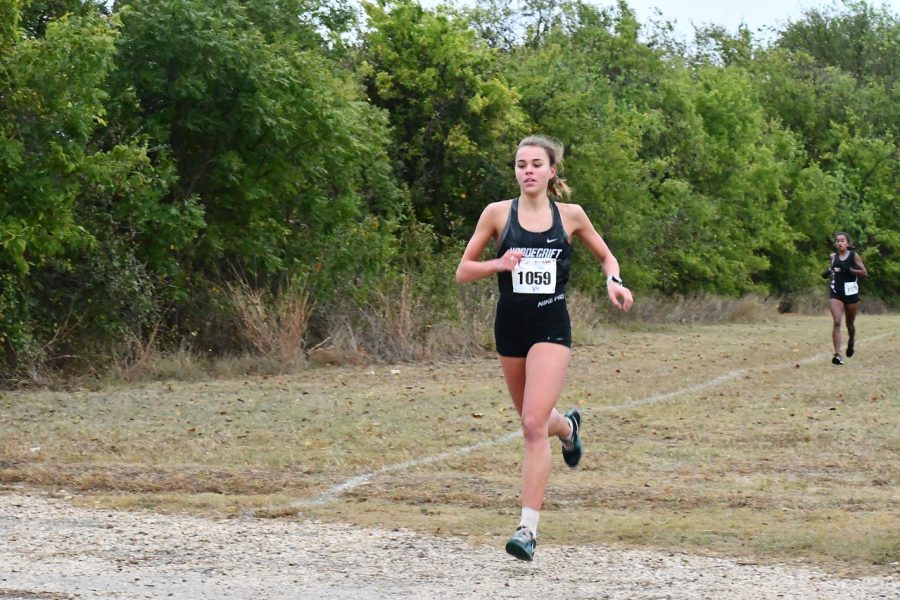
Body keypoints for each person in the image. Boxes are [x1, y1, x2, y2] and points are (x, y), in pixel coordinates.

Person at [455, 135, 634, 561]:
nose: (528, 171)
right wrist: (497, 264)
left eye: (537, 163)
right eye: (521, 164)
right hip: (510, 328)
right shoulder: (497, 214)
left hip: (551, 326)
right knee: (534, 419)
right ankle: (569, 428)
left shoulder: (571, 216)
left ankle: (527, 530)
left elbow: (607, 259)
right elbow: (463, 271)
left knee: (533, 425)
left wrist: (614, 281)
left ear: (552, 170)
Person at [823, 232, 868, 365]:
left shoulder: (854, 256)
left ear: (847, 243)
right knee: (837, 321)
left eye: (842, 241)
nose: (840, 243)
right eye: (837, 241)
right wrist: (827, 272)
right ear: (835, 244)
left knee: (850, 325)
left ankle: (851, 341)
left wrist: (850, 270)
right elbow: (833, 269)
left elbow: (864, 273)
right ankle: (837, 355)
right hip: (836, 292)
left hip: (850, 293)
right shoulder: (833, 256)